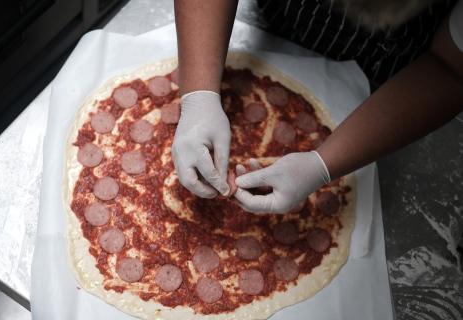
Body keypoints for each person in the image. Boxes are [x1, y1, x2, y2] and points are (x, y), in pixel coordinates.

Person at [171, 0, 463, 213]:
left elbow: (451, 68)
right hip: (278, 17)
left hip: (395, 83)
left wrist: (323, 165)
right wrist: (199, 92)